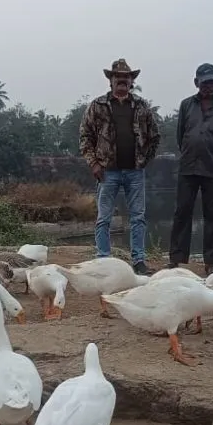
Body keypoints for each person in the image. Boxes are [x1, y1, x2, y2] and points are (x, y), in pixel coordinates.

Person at [79, 58, 160, 276]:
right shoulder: (97, 106)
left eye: (126, 77)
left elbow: (154, 136)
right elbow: (85, 136)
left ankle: (139, 261)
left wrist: (145, 159)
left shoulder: (142, 106)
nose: (122, 81)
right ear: (111, 80)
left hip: (135, 171)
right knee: (104, 218)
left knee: (138, 218)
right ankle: (103, 260)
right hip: (107, 171)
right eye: (118, 77)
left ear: (131, 81)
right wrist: (93, 163)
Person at [167, 63, 213, 274]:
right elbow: (180, 136)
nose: (207, 86)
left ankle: (211, 261)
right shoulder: (186, 105)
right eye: (204, 82)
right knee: (182, 212)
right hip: (188, 166)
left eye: (211, 82)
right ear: (196, 82)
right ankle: (176, 258)